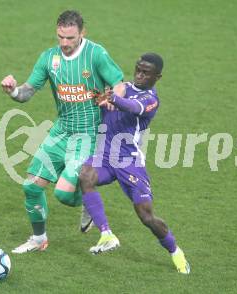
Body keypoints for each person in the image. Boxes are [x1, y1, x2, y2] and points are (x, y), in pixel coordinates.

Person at [0, 10, 124, 254]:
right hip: (61, 131)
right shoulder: (49, 59)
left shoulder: (95, 54)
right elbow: (26, 93)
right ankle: (38, 239)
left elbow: (119, 84)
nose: (65, 43)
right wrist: (13, 90)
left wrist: (114, 99)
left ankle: (88, 199)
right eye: (61, 37)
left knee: (64, 194)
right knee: (31, 187)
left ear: (82, 33)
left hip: (88, 134)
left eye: (70, 38)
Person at [78, 53, 191, 274]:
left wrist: (113, 99)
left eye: (145, 72)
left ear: (157, 77)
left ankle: (175, 251)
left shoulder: (151, 99)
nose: (139, 75)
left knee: (146, 215)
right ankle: (106, 234)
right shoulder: (122, 87)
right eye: (137, 69)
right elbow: (106, 105)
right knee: (85, 176)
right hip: (105, 156)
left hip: (129, 162)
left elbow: (132, 107)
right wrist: (99, 99)